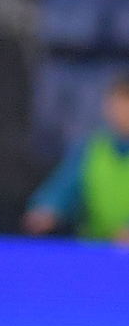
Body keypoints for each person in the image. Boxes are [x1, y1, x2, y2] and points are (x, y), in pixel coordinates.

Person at [24, 75, 129, 243]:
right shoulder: (93, 147)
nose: (121, 112)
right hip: (96, 245)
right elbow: (66, 183)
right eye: (117, 103)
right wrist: (48, 206)